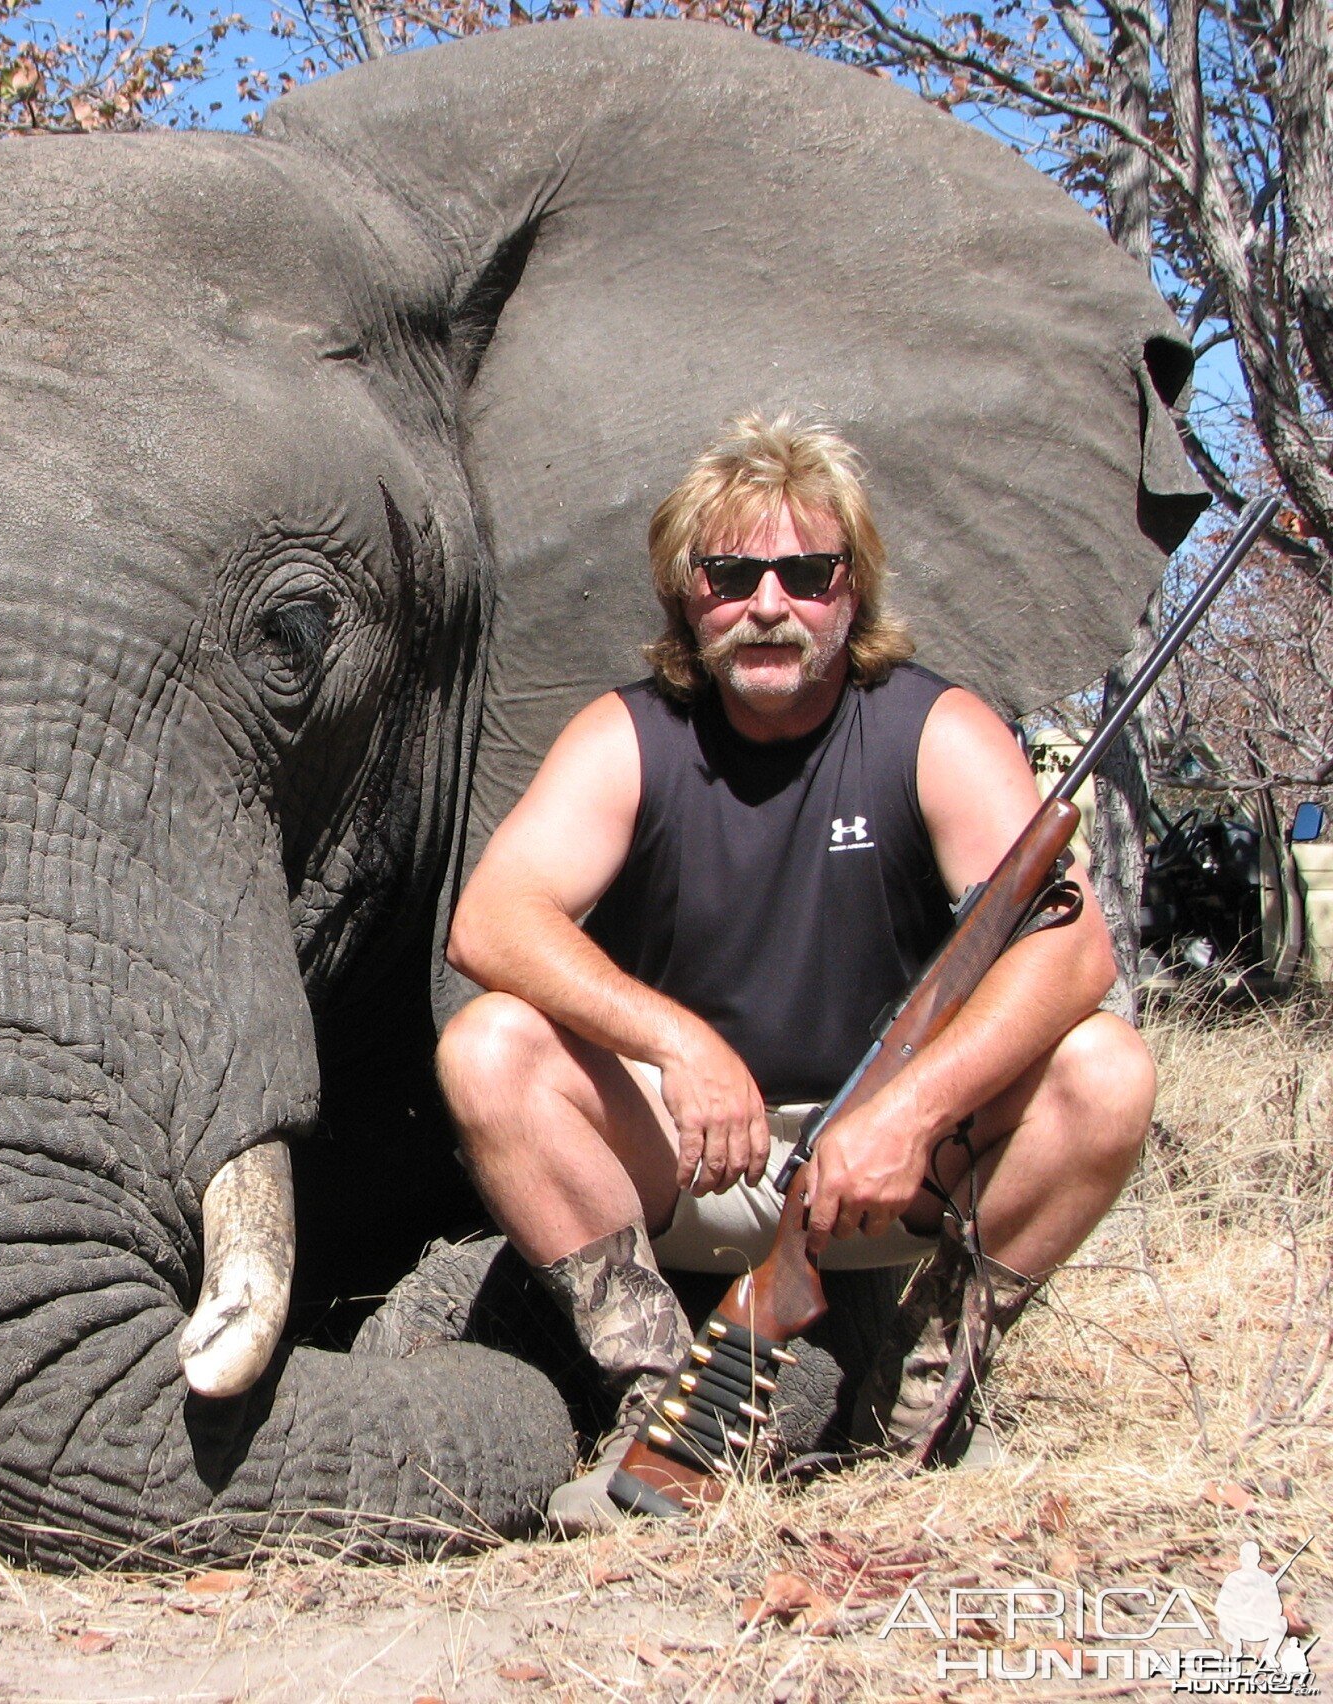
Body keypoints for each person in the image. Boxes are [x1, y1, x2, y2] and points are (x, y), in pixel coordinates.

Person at [435, 414, 1157, 1530]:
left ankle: (920, 1391)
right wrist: (679, 1042)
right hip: (693, 1156)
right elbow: (490, 921)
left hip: (894, 1167)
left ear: (849, 592)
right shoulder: (628, 735)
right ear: (686, 597)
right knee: (486, 1045)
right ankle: (664, 1401)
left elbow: (1075, 954)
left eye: (805, 573)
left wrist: (910, 1107)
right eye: (730, 575)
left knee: (1105, 1070)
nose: (768, 604)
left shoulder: (938, 728)